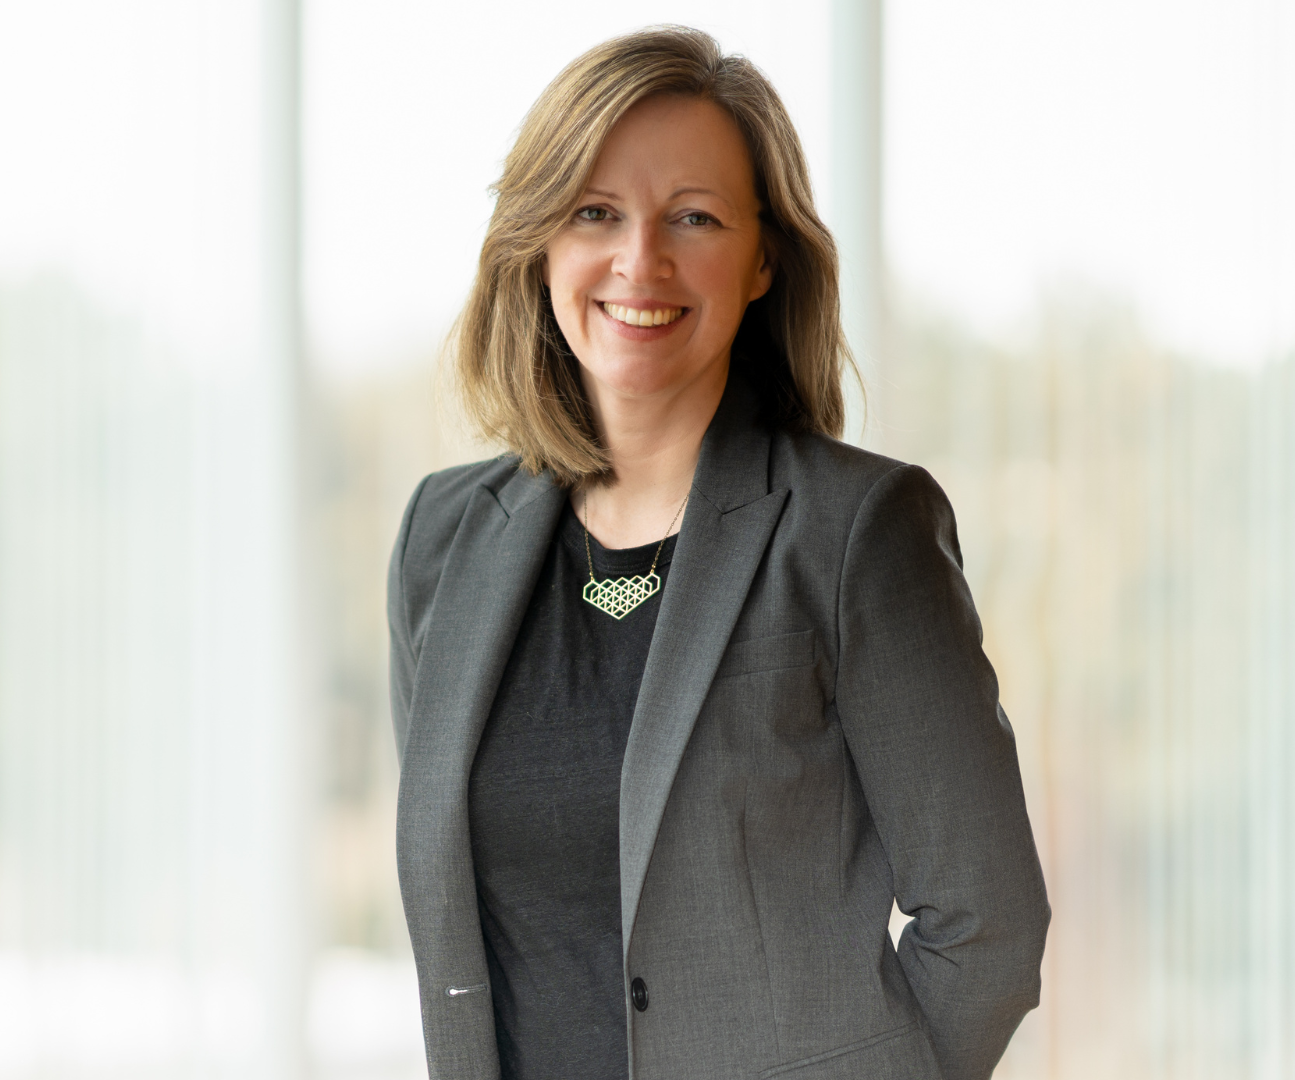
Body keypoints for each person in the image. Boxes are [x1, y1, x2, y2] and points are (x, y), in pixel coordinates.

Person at [387, 25, 1050, 1080]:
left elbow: (988, 927)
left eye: (692, 218)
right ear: (541, 242)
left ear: (762, 259)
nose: (638, 261)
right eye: (595, 213)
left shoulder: (857, 532)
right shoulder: (443, 540)